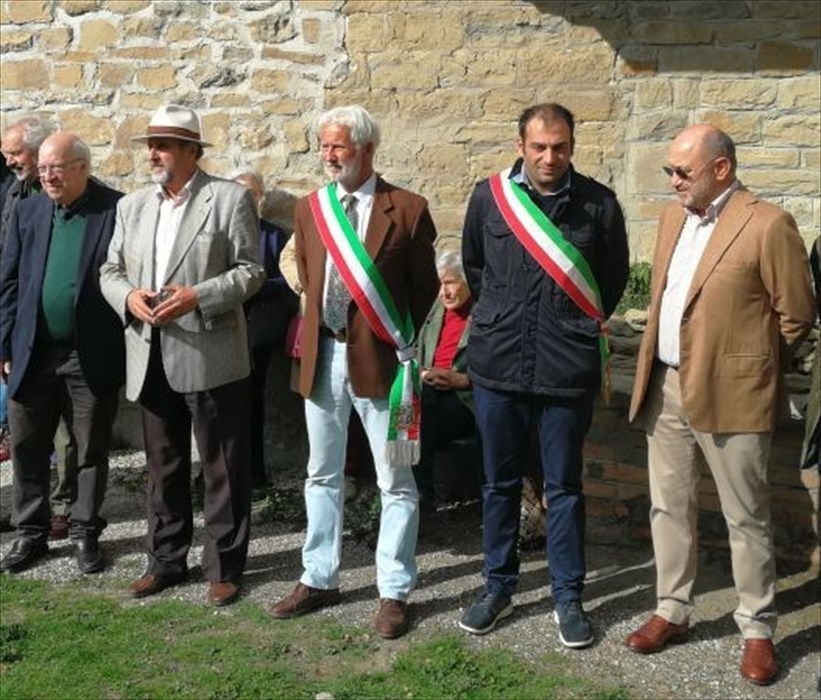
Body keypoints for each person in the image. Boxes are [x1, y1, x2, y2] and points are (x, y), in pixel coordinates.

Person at [625, 124, 815, 686]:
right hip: (666, 386)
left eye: (683, 171)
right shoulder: (670, 219)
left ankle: (757, 630)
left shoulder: (768, 223)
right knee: (668, 505)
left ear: (721, 170)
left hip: (734, 390)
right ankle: (671, 609)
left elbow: (796, 315)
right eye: (670, 171)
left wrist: (748, 365)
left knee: (745, 516)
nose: (674, 181)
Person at [459, 103, 629, 646]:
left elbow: (612, 280)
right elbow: (476, 269)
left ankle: (567, 595)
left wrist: (565, 325)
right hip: (499, 364)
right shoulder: (490, 198)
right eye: (539, 147)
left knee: (565, 486)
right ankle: (497, 586)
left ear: (572, 146)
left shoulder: (599, 204)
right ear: (521, 146)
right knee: (498, 485)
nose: (549, 157)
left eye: (559, 146)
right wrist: (507, 317)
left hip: (566, 365)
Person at [268, 104, 438, 639]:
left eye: (337, 146)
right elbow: (305, 275)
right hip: (323, 358)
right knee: (321, 472)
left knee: (397, 478)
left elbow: (423, 287)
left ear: (366, 148)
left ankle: (393, 590)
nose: (328, 155)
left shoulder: (408, 209)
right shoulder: (310, 209)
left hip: (385, 364)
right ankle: (319, 577)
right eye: (323, 146)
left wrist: (391, 341)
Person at [100, 105, 265, 607]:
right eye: (151, 143)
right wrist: (127, 298)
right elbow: (110, 269)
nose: (154, 153)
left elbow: (251, 272)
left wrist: (197, 295)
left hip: (209, 351)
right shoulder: (132, 206)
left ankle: (223, 566)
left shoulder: (230, 198)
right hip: (148, 353)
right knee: (162, 464)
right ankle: (166, 561)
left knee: (222, 465)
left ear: (193, 151)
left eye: (165, 144)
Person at [0, 132, 124, 574]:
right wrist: (5, 344)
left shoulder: (114, 209)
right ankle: (29, 533)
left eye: (57, 167)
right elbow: (10, 280)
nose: (47, 176)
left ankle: (85, 532)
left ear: (82, 168)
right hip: (31, 350)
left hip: (88, 352)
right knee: (28, 446)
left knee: (89, 448)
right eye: (44, 168)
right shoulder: (29, 209)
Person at [0, 115, 75, 538]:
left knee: (66, 434)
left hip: (63, 339)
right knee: (22, 427)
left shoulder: (67, 194)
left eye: (15, 152)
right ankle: (25, 513)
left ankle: (64, 509)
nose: (9, 159)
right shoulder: (14, 192)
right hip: (20, 327)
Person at [232, 170, 298, 495]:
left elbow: (287, 281)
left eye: (253, 195)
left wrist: (251, 286)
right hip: (220, 326)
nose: (247, 201)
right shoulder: (217, 232)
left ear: (261, 200)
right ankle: (215, 473)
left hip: (256, 328)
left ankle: (253, 473)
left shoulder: (272, 236)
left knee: (250, 402)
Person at [414, 249, 475, 511]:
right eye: (440, 284)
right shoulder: (437, 309)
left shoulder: (483, 312)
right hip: (430, 390)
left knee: (422, 415)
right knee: (407, 410)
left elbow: (498, 365)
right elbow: (418, 352)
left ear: (468, 282)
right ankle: (404, 494)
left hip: (465, 397)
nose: (443, 292)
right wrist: (424, 373)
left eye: (450, 283)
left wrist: (462, 380)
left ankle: (418, 496)